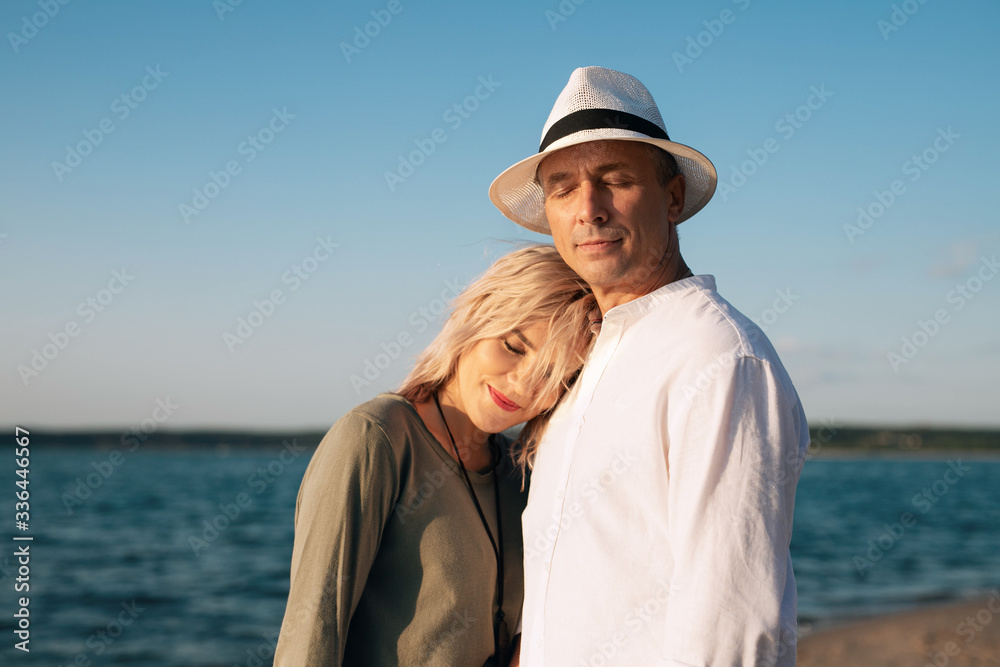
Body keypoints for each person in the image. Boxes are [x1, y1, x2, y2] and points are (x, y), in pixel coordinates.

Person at [489, 67, 809, 665]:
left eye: (615, 180)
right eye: (563, 188)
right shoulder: (585, 363)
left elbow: (733, 626)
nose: (589, 209)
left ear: (673, 196)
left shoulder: (717, 358)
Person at [273, 244, 596, 666]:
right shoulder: (377, 438)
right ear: (475, 316)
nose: (522, 384)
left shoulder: (520, 478)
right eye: (514, 347)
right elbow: (311, 633)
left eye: (552, 373)